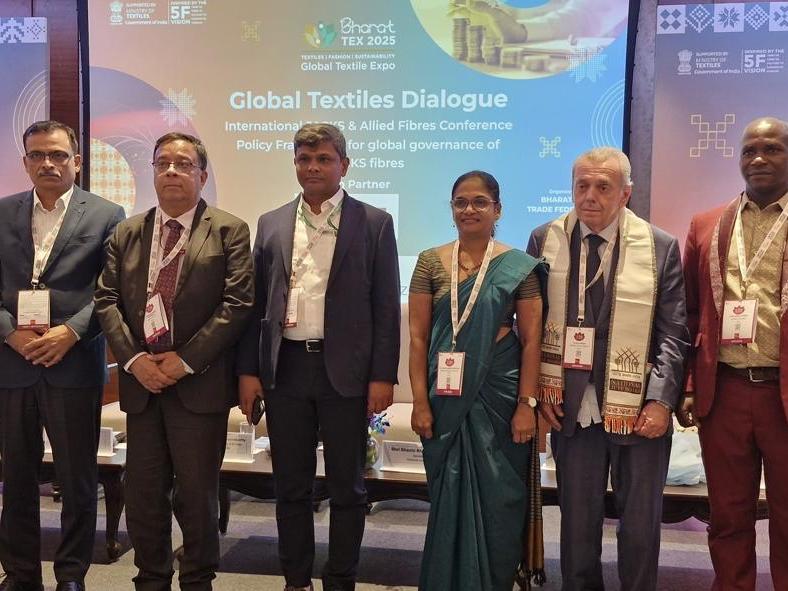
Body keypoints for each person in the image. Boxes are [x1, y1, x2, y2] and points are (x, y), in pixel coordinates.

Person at [236, 123, 400, 591]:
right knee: (291, 485)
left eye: (324, 159)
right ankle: (295, 580)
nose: (313, 167)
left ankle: (340, 579)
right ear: (295, 164)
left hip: (345, 372)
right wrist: (248, 371)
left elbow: (386, 307)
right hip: (285, 369)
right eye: (304, 159)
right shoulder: (271, 222)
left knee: (347, 486)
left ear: (343, 165)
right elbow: (255, 305)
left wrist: (382, 376)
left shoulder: (374, 222)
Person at [94, 132, 254, 591]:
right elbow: (106, 299)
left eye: (183, 164)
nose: (171, 171)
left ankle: (198, 579)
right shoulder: (127, 231)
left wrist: (183, 361)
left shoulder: (228, 230)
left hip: (198, 384)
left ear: (201, 175)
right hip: (142, 384)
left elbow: (237, 304)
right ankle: (151, 578)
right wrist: (134, 360)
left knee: (197, 496)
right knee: (143, 492)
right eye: (163, 162)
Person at [527, 147, 689, 591]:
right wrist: (537, 395)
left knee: (639, 525)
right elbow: (531, 326)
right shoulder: (544, 240)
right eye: (582, 185)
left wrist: (660, 402)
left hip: (637, 406)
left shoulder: (659, 246)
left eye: (603, 186)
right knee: (577, 524)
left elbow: (674, 333)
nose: (590, 196)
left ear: (625, 194)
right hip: (569, 403)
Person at [0, 120, 125, 591]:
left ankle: (71, 574)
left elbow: (112, 289)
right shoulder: (2, 212)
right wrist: (9, 333)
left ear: (77, 160)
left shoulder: (107, 215)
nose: (47, 163)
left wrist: (71, 332)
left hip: (72, 363)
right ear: (25, 162)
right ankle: (20, 573)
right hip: (13, 365)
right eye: (37, 155)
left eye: (57, 154)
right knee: (16, 479)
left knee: (77, 480)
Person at [409, 170, 546, 591]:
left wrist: (526, 405)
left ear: (497, 210)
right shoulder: (430, 262)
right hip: (445, 398)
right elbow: (417, 338)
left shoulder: (519, 267)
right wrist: (419, 402)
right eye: (461, 202)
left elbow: (532, 341)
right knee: (449, 492)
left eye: (480, 202)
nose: (469, 209)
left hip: (500, 396)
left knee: (500, 498)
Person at [679, 116, 788, 591]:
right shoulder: (706, 225)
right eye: (749, 150)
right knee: (727, 514)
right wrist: (688, 385)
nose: (758, 158)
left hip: (783, 393)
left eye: (772, 148)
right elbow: (689, 313)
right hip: (724, 390)